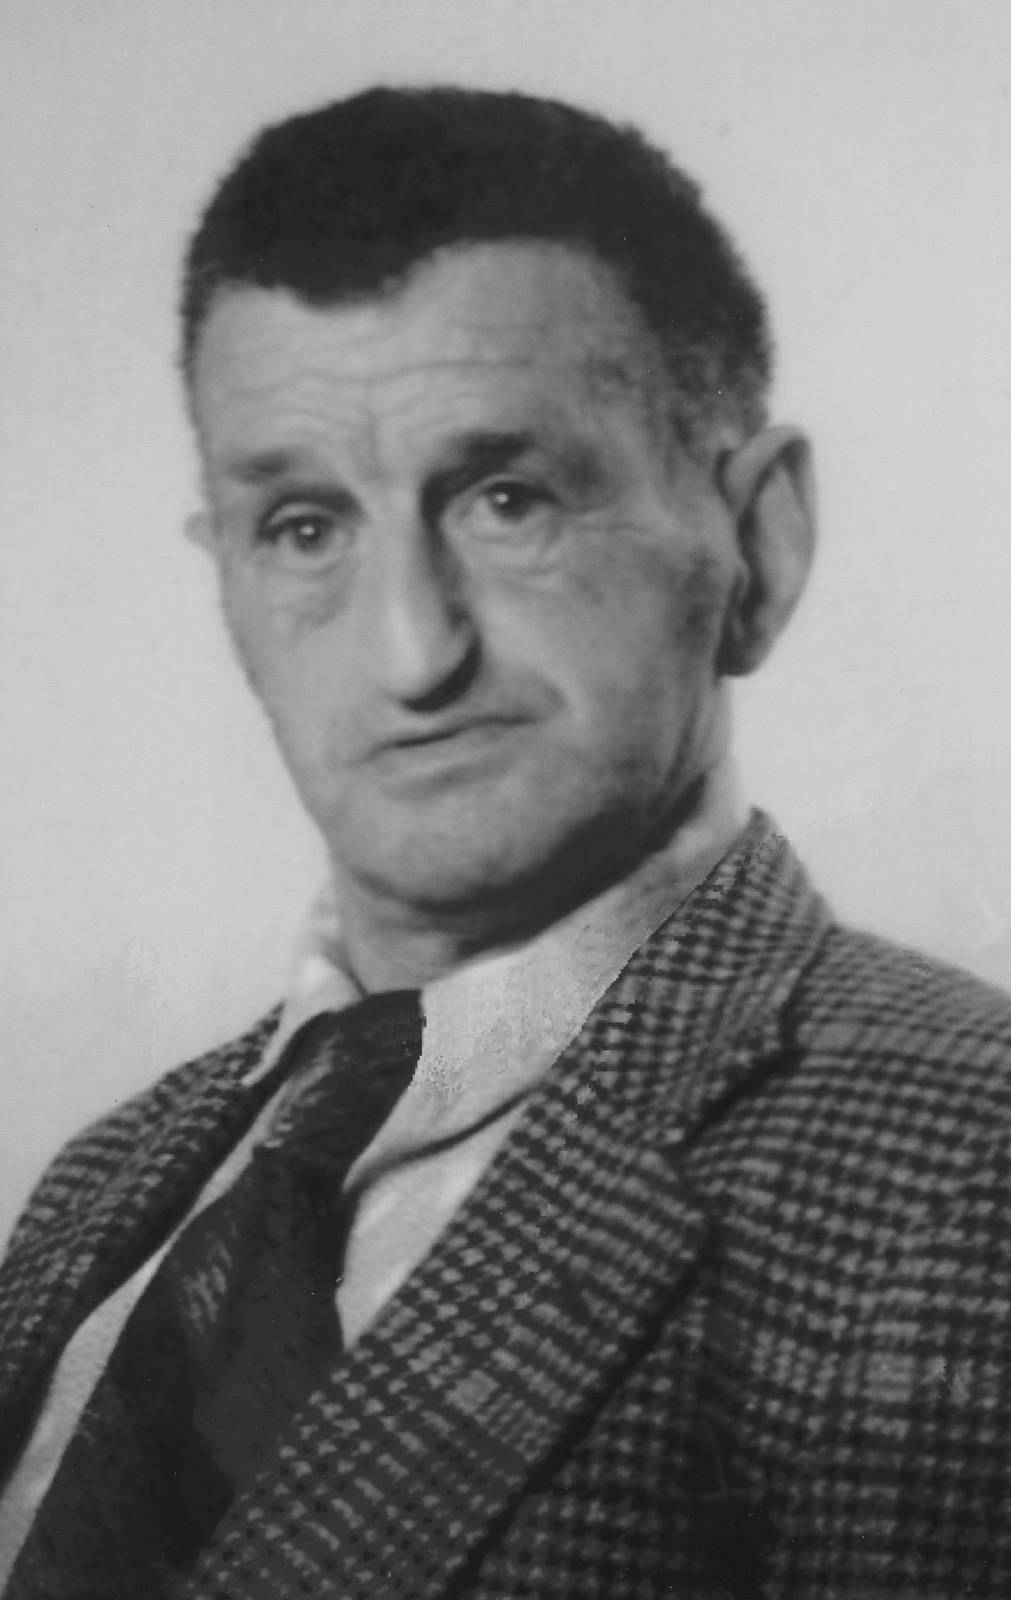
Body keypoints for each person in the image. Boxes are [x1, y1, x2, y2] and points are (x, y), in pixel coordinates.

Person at [1, 84, 1009, 1599]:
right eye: (304, 527)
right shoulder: (102, 1182)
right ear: (226, 574)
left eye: (506, 499)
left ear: (758, 543)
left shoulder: (970, 1166)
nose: (412, 655)